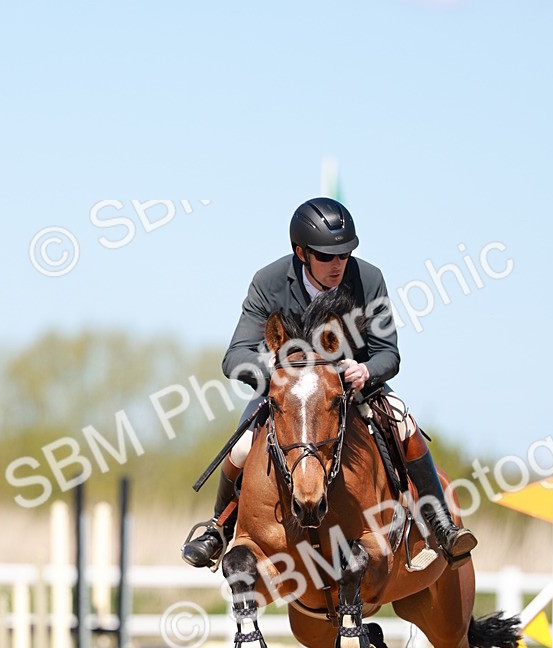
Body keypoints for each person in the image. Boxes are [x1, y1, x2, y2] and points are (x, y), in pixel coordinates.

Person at [181, 197, 477, 569]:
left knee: (403, 419)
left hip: (352, 391)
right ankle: (218, 529)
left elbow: (389, 353)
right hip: (289, 396)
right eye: (326, 256)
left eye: (344, 255)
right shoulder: (268, 282)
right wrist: (273, 370)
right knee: (241, 446)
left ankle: (440, 524)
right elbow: (234, 355)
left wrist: (366, 371)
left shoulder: (368, 279)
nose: (338, 264)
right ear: (301, 253)